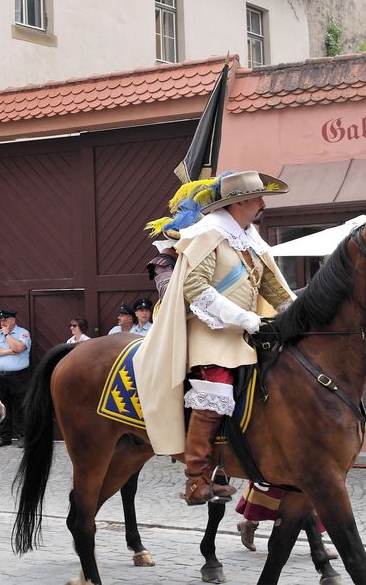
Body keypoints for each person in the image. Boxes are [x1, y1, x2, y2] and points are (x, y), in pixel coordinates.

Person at [135, 170, 295, 505]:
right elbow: (196, 289)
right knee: (217, 387)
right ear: (238, 203)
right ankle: (196, 478)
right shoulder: (208, 234)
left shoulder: (251, 239)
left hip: (249, 333)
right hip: (210, 332)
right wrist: (243, 318)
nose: (263, 204)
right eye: (257, 198)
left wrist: (302, 314)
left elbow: (276, 291)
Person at [0, 308, 31, 448]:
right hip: (0, 377)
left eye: (4, 320)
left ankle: (22, 437)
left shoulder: (23, 333)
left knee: (20, 408)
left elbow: (18, 347)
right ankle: (5, 438)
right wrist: (9, 351)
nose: (2, 322)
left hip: (19, 377)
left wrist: (7, 336)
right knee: (3, 408)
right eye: (0, 320)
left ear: (12, 320)